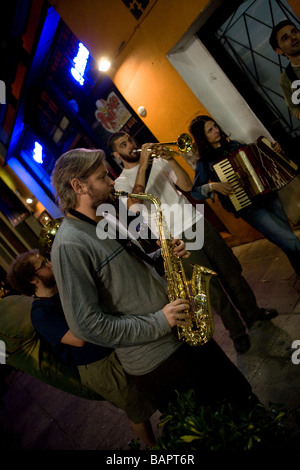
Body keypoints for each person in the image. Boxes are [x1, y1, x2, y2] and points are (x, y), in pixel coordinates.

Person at [50, 147, 257, 414]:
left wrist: (164, 254)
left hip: (181, 335)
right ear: (78, 186)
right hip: (160, 361)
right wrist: (160, 321)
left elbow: (129, 267)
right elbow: (86, 326)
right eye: (103, 177)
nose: (112, 181)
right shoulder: (69, 244)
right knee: (219, 424)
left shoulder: (103, 219)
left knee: (242, 398)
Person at [110, 132, 278, 354]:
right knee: (212, 289)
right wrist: (142, 165)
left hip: (197, 221)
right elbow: (134, 206)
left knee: (231, 272)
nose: (131, 145)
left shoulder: (159, 161)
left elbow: (187, 186)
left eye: (131, 140)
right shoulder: (121, 182)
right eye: (124, 144)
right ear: (116, 154)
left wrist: (170, 159)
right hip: (176, 238)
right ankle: (237, 334)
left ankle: (253, 314)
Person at [6, 249, 157, 447]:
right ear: (33, 280)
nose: (51, 264)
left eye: (47, 260)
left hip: (113, 346)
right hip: (99, 366)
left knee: (153, 389)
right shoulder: (41, 313)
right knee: (137, 410)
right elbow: (78, 339)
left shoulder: (63, 288)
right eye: (43, 264)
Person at [189, 114, 300, 277]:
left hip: (269, 196)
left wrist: (274, 149)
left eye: (215, 126)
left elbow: (259, 158)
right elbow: (195, 192)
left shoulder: (235, 145)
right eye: (210, 130)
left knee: (286, 240)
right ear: (202, 137)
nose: (216, 130)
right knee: (291, 240)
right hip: (250, 208)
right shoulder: (205, 162)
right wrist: (213, 186)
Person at [269, 20, 300, 120]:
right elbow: (293, 107)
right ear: (279, 50)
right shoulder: (286, 78)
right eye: (285, 38)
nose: (293, 37)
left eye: (294, 32)